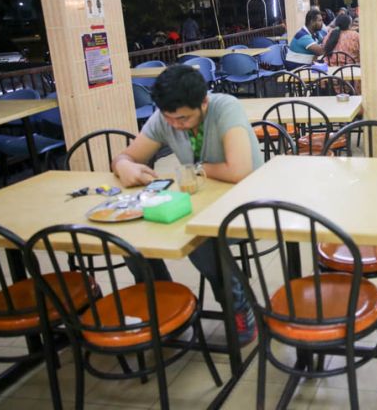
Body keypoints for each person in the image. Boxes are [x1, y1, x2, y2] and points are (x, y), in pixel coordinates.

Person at [111, 65, 263, 344]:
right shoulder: (165, 118)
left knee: (201, 238)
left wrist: (196, 168)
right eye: (170, 119)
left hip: (248, 201)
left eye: (183, 118)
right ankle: (163, 303)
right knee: (130, 238)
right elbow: (127, 156)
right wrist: (124, 166)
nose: (176, 125)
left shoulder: (225, 107)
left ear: (203, 102)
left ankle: (237, 303)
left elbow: (239, 171)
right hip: (200, 200)